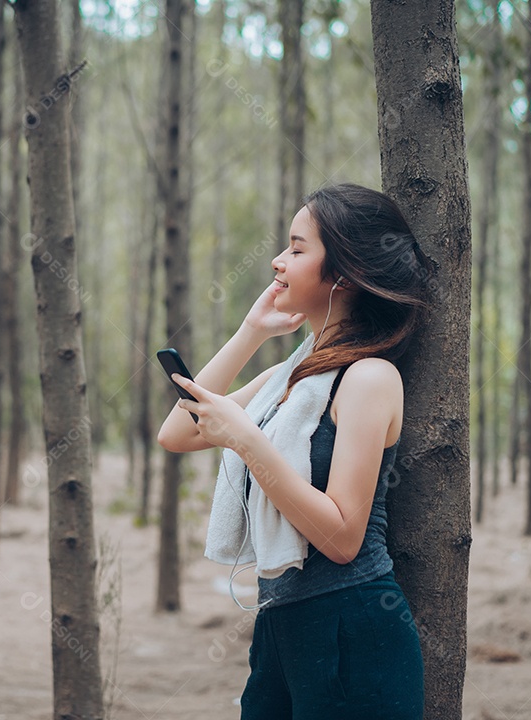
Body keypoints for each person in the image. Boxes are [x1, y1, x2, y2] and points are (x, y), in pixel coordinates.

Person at [157, 183, 428, 719]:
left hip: (352, 627)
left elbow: (344, 537)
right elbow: (178, 433)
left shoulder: (370, 378)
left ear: (344, 273)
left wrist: (246, 439)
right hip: (280, 627)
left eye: (298, 249)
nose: (278, 262)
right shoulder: (288, 377)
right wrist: (251, 332)